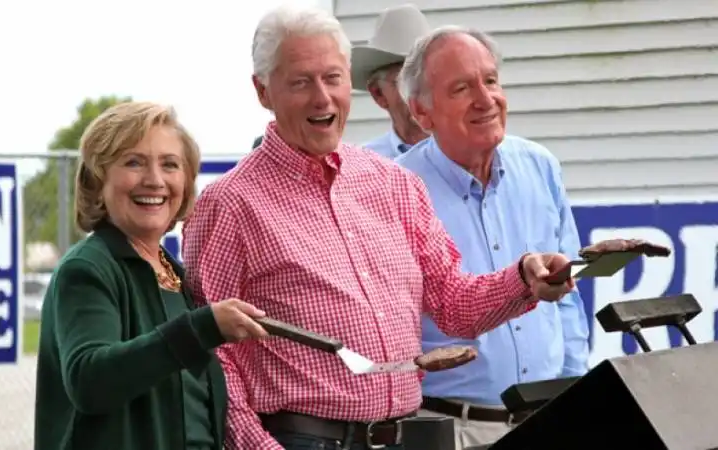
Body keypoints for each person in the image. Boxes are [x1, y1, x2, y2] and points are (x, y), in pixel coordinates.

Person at [181, 6, 575, 450]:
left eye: (332, 78)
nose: (322, 98)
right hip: (304, 439)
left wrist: (524, 277)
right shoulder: (230, 204)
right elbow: (215, 361)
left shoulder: (393, 182)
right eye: (300, 81)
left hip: (409, 436)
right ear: (262, 91)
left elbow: (451, 303)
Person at [395, 26, 590, 448]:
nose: (485, 100)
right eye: (462, 88)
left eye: (490, 80)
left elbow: (569, 296)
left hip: (549, 416)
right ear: (422, 113)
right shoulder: (399, 189)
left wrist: (573, 390)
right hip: (452, 428)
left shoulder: (540, 166)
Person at [33, 101, 269, 450]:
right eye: (134, 162)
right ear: (98, 181)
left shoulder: (176, 275)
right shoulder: (87, 269)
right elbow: (90, 381)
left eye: (170, 165)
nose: (155, 180)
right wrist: (200, 329)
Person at [351, 4, 429, 159]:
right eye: (405, 82)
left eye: (428, 79)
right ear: (378, 94)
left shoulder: (473, 154)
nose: (420, 91)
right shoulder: (363, 164)